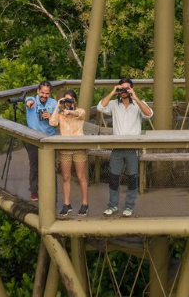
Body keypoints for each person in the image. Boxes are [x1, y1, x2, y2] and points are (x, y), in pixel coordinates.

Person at [96, 78, 153, 217]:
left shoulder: (138, 104)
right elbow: (100, 107)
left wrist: (136, 98)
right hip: (117, 148)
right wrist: (112, 92)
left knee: (132, 178)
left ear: (131, 89)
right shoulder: (114, 104)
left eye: (127, 88)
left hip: (132, 148)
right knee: (114, 177)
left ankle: (129, 206)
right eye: (121, 89)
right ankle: (113, 205)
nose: (124, 91)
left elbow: (149, 114)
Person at [50, 90, 89, 216]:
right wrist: (57, 105)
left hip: (79, 148)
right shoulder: (61, 113)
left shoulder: (80, 111)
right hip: (65, 149)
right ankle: (67, 204)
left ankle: (85, 204)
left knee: (81, 176)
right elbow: (52, 122)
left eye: (71, 100)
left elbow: (79, 114)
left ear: (75, 100)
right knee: (66, 177)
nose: (68, 102)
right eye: (66, 100)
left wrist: (70, 110)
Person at [24, 81, 57, 201]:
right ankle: (34, 190)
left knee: (51, 167)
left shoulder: (53, 103)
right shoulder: (33, 99)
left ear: (50, 93)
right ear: (38, 91)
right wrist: (29, 103)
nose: (44, 95)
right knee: (34, 165)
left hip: (49, 138)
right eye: (42, 92)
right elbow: (28, 100)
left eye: (47, 93)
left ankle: (52, 193)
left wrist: (51, 117)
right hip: (33, 138)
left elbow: (57, 122)